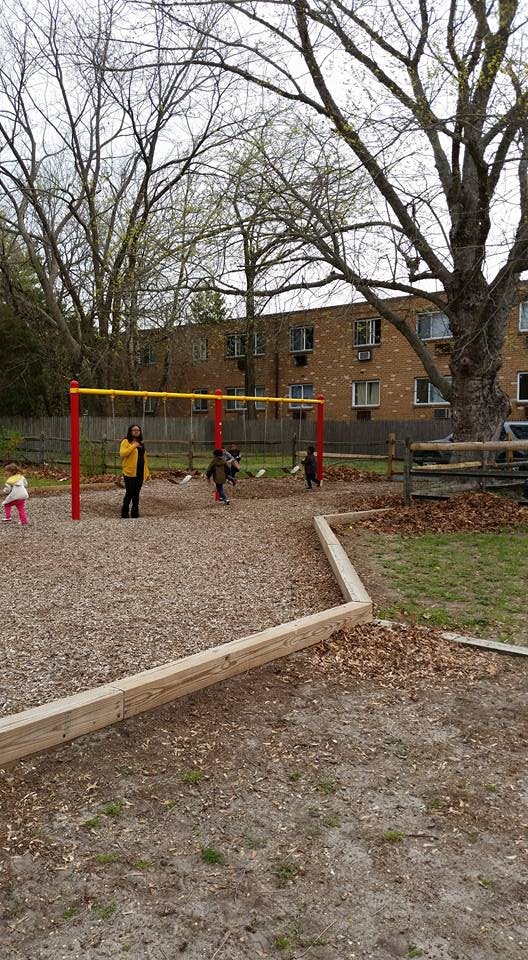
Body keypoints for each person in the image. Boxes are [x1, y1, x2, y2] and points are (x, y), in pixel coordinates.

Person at [119, 424, 150, 518]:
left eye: (138, 430)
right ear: (130, 431)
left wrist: (147, 472)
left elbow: (144, 458)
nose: (136, 431)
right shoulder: (126, 441)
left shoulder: (141, 443)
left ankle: (135, 512)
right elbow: (122, 453)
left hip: (140, 472)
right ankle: (124, 512)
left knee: (137, 493)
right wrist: (133, 446)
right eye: (134, 430)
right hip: (129, 472)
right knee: (130, 492)